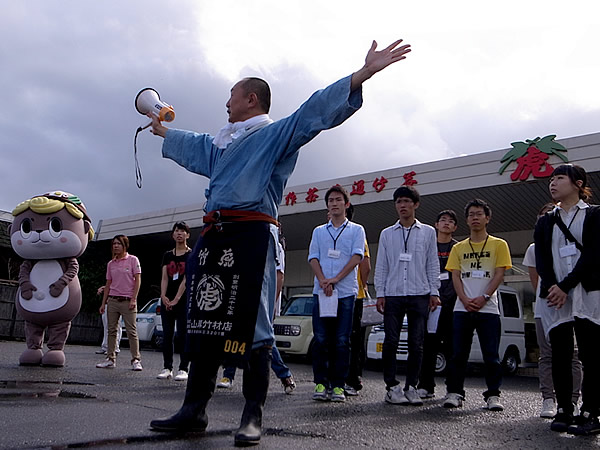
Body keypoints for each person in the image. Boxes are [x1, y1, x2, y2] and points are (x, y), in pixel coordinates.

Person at [147, 39, 412, 446]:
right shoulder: (223, 142)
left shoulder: (274, 135)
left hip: (252, 235)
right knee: (203, 319)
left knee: (254, 324)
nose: (226, 103)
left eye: (231, 97)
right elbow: (194, 143)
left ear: (251, 99)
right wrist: (162, 129)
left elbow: (313, 113)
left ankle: (252, 414)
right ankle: (192, 410)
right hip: (216, 235)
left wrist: (363, 74)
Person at [534, 164, 600, 436]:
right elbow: (542, 259)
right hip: (556, 296)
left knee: (591, 354)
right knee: (560, 353)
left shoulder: (595, 215)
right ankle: (564, 409)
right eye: (551, 179)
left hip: (587, 292)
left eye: (559, 178)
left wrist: (566, 285)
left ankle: (591, 411)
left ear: (577, 183)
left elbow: (594, 254)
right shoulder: (546, 220)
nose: (553, 183)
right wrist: (553, 287)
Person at [443, 199, 511, 411]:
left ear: (487, 218)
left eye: (479, 214)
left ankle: (493, 395)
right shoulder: (459, 247)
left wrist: (484, 297)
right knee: (457, 354)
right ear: (466, 219)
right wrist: (463, 299)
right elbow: (455, 275)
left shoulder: (499, 244)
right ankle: (454, 392)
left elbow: (499, 274)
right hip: (462, 308)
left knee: (491, 354)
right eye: (471, 214)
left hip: (488, 308)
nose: (475, 217)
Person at [374, 186, 440, 406]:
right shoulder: (386, 233)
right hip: (392, 294)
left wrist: (434, 291)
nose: (402, 206)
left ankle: (412, 386)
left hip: (419, 294)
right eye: (398, 202)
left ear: (416, 204)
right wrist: (380, 293)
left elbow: (432, 263)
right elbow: (381, 265)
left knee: (416, 343)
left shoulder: (428, 232)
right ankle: (391, 387)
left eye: (406, 201)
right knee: (391, 341)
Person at [216, 231, 296, 394]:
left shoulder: (275, 246)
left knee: (265, 339)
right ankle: (228, 375)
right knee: (234, 335)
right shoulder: (239, 241)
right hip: (239, 297)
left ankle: (285, 375)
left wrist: (272, 304)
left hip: (262, 300)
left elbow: (279, 276)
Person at [523, 203, 582, 419]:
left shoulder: (572, 240)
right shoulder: (533, 248)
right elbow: (535, 280)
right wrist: (549, 295)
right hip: (545, 307)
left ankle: (573, 400)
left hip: (574, 303)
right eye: (542, 216)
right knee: (547, 355)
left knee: (573, 356)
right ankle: (548, 398)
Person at [309, 185, 365, 402]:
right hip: (321, 291)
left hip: (345, 292)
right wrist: (323, 280)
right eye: (330, 200)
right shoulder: (318, 231)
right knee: (321, 338)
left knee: (342, 339)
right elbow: (313, 257)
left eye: (338, 200)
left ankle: (339, 385)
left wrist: (336, 279)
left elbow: (357, 257)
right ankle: (321, 383)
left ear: (346, 204)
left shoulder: (356, 230)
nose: (334, 203)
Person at [417, 209, 458, 399]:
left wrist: (450, 297)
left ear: (455, 227)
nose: (446, 223)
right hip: (430, 304)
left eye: (450, 221)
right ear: (436, 225)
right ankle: (426, 386)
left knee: (452, 348)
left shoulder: (458, 248)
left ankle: (452, 389)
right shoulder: (428, 246)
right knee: (428, 345)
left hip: (452, 304)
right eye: (443, 220)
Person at [96, 235, 143, 371]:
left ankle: (136, 359)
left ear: (125, 245)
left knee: (131, 331)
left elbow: (138, 280)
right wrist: (103, 303)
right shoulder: (111, 264)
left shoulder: (133, 260)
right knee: (111, 330)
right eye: (114, 244)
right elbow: (108, 283)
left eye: (119, 244)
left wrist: (134, 298)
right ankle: (110, 358)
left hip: (128, 300)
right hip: (113, 299)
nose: (116, 246)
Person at [156, 221, 192, 381]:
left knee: (183, 334)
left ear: (187, 235)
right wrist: (163, 296)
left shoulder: (191, 254)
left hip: (183, 300)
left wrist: (177, 299)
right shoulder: (167, 255)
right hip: (167, 300)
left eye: (182, 231)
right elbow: (164, 277)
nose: (179, 233)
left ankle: (184, 368)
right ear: (172, 235)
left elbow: (187, 278)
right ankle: (167, 367)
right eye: (177, 231)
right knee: (167, 334)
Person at [95, 285, 122, 355]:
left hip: (116, 303)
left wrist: (103, 288)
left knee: (115, 327)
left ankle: (115, 348)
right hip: (108, 303)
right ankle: (105, 347)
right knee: (106, 327)